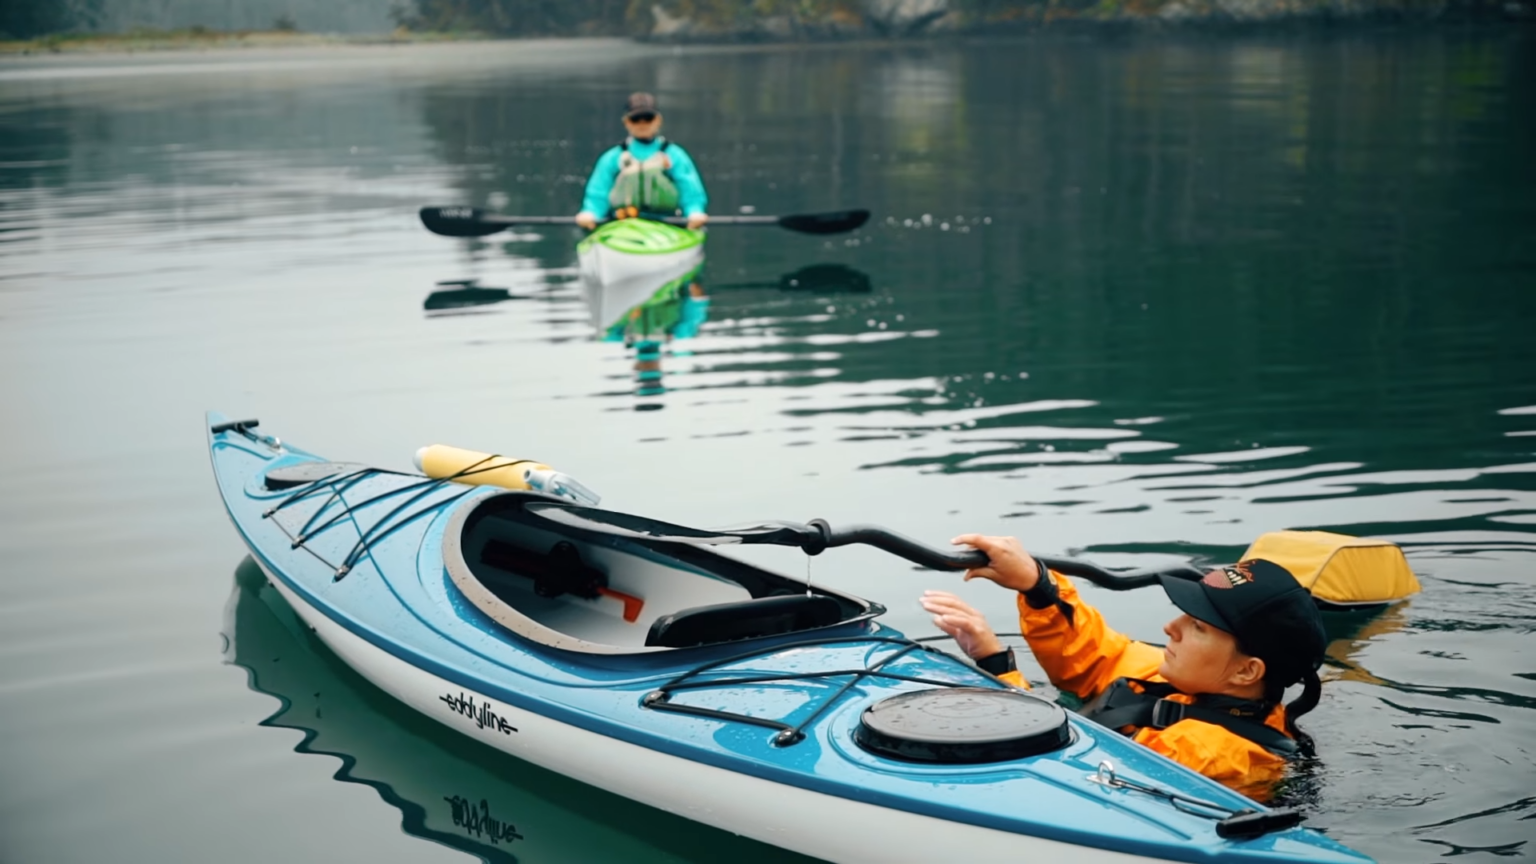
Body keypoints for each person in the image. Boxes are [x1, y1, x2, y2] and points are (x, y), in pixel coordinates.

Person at [921, 535, 1327, 802]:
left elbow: (1063, 771)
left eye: (1198, 626)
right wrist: (1037, 585)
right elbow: (1098, 656)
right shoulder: (1185, 681)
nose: (1171, 627)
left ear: (1245, 672)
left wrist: (996, 665)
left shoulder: (1207, 756)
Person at [575, 93, 708, 231]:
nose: (642, 123)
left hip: (669, 224)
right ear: (626, 122)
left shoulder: (674, 155)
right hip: (620, 224)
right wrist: (590, 213)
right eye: (636, 119)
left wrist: (694, 212)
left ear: (658, 120)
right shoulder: (612, 158)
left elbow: (690, 190)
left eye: (648, 118)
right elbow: (598, 192)